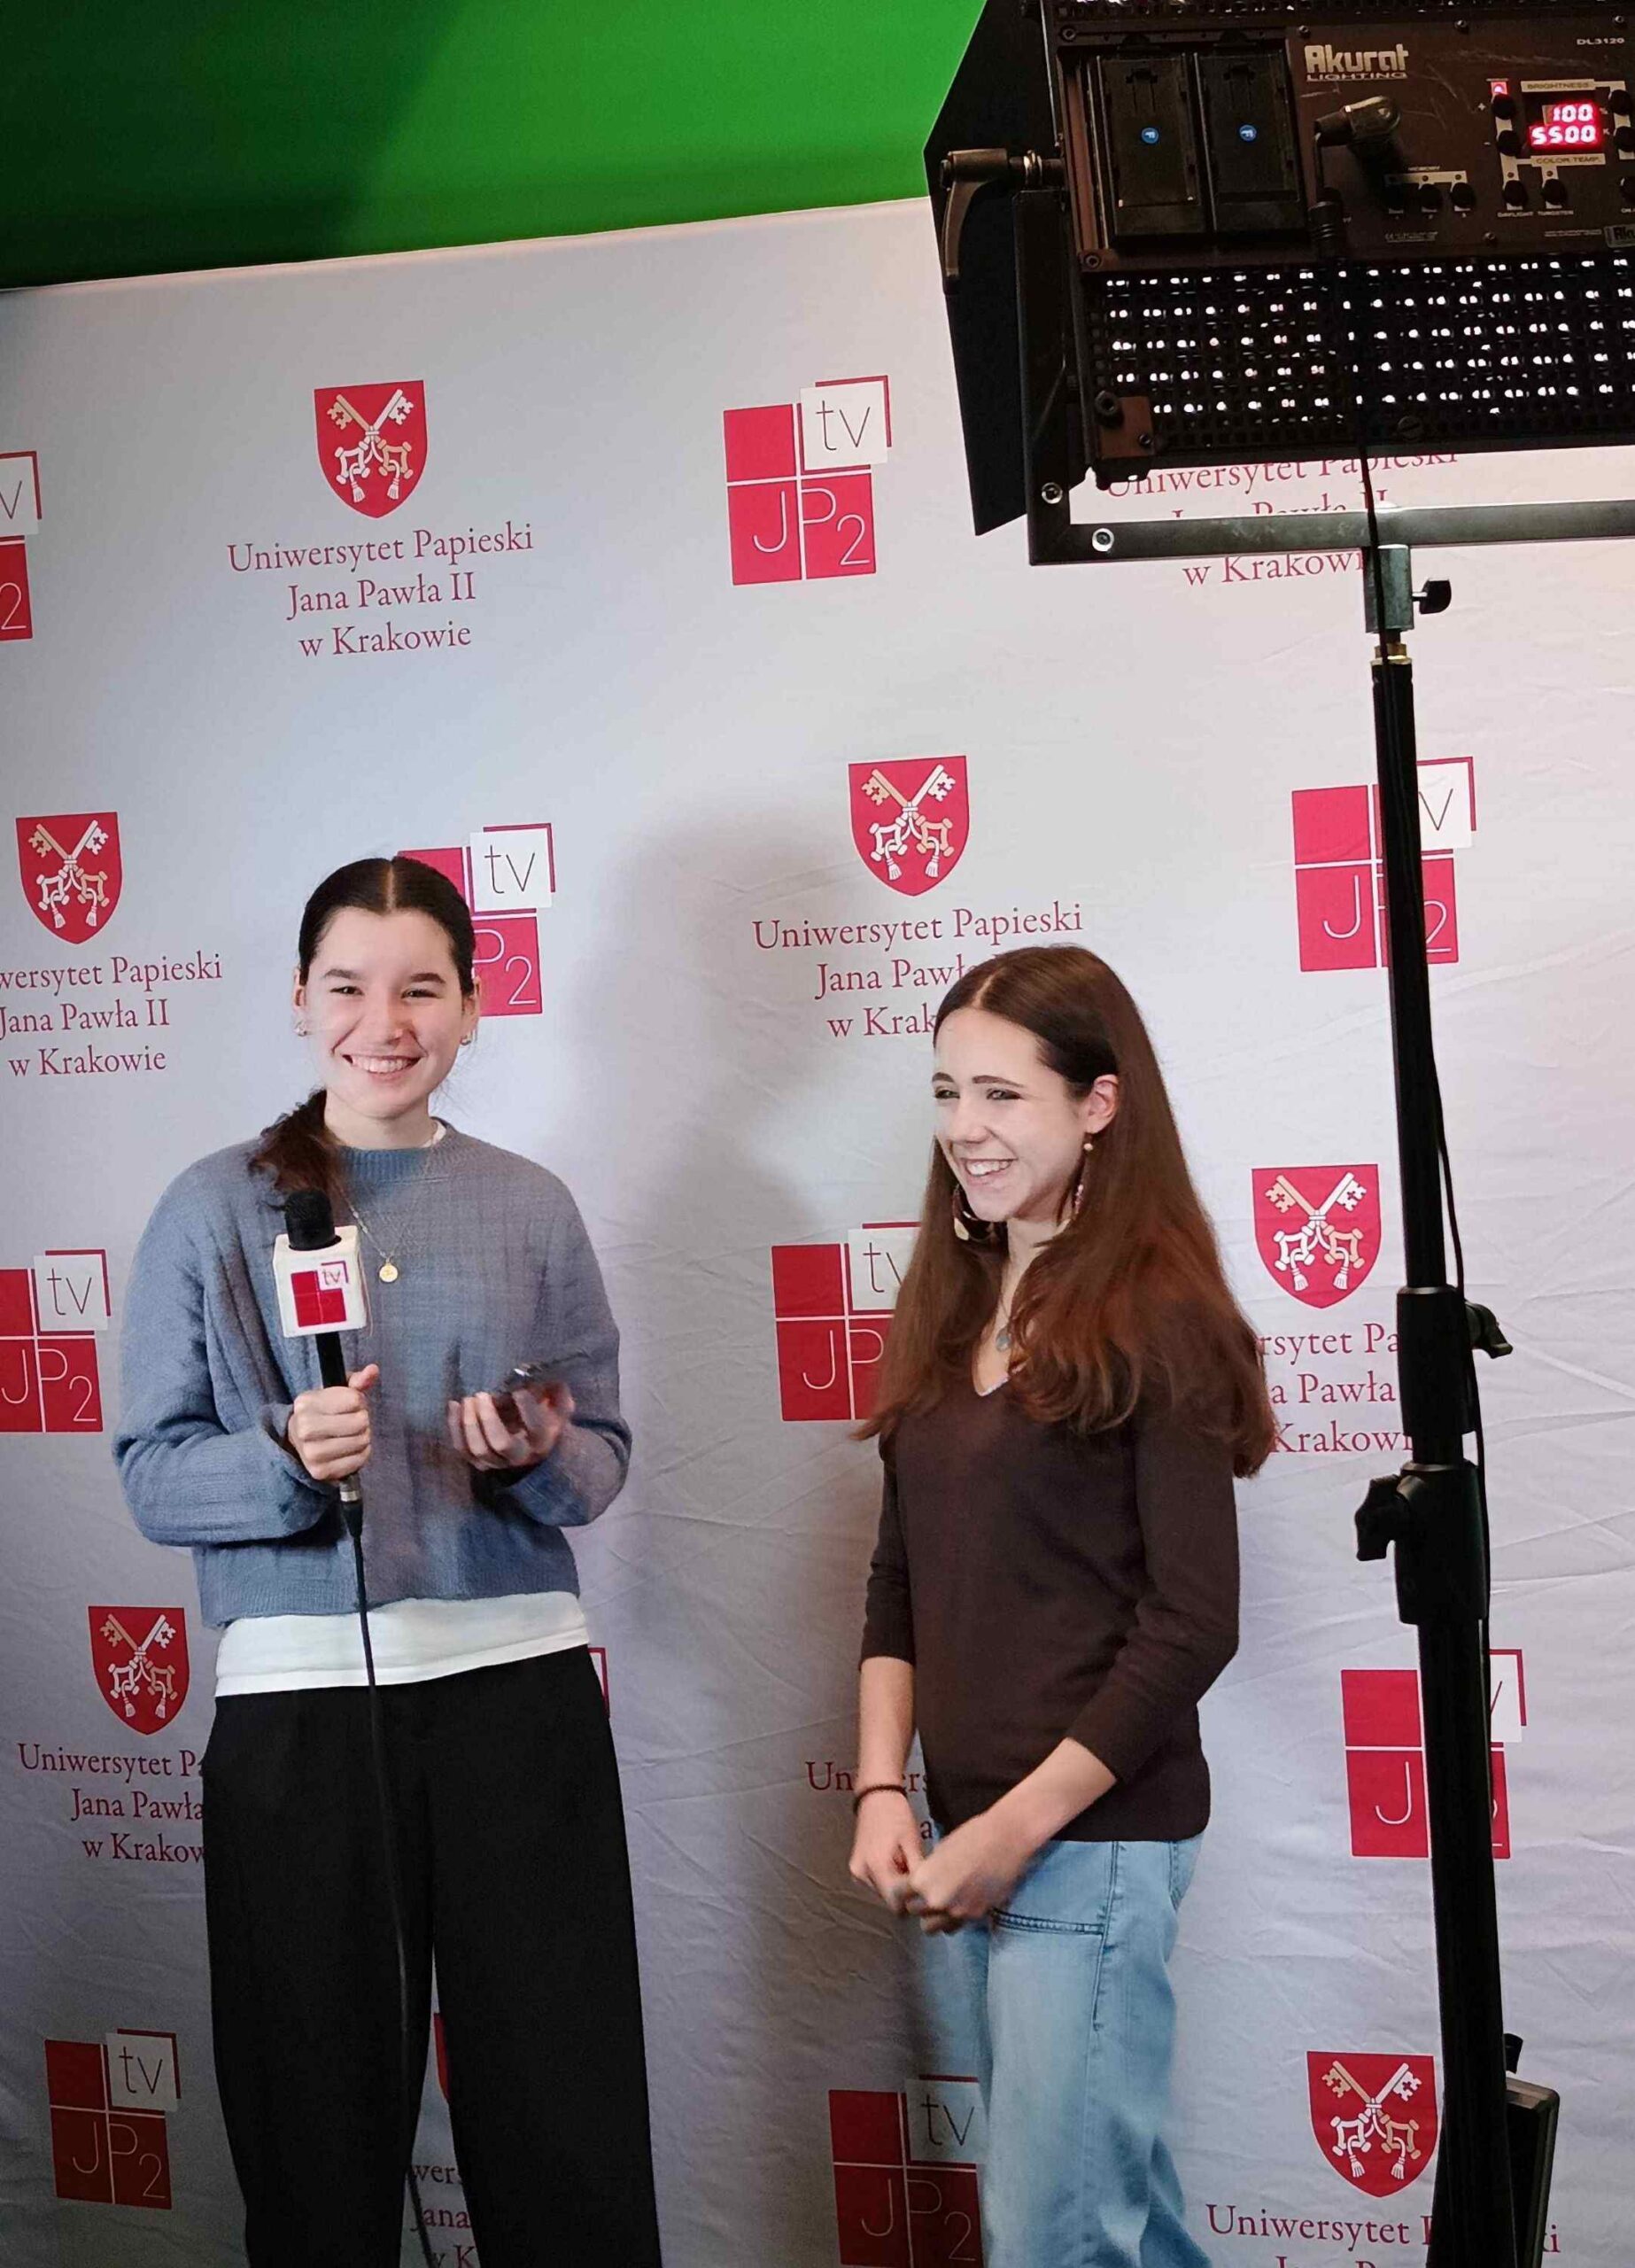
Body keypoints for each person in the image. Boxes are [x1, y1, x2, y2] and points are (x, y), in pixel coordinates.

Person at [113, 855, 663, 2268]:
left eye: (422, 988)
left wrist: (531, 1449)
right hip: (299, 1717)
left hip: (518, 1698)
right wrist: (284, 1457)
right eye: (349, 986)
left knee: (564, 2119)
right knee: (313, 2133)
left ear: (472, 1007)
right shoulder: (211, 1207)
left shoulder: (529, 1203)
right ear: (300, 1000)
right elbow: (152, 1473)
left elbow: (600, 1457)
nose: (385, 1021)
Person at [847, 944, 1274, 2268]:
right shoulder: (953, 1301)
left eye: (1002, 1094)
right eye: (946, 1092)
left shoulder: (1158, 1315)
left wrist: (1012, 1831)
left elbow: (1194, 1620)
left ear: (1097, 1105)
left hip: (1086, 1845)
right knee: (1111, 2220)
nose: (964, 1128)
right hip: (970, 1836)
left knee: (1056, 2237)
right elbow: (898, 1578)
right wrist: (882, 1785)